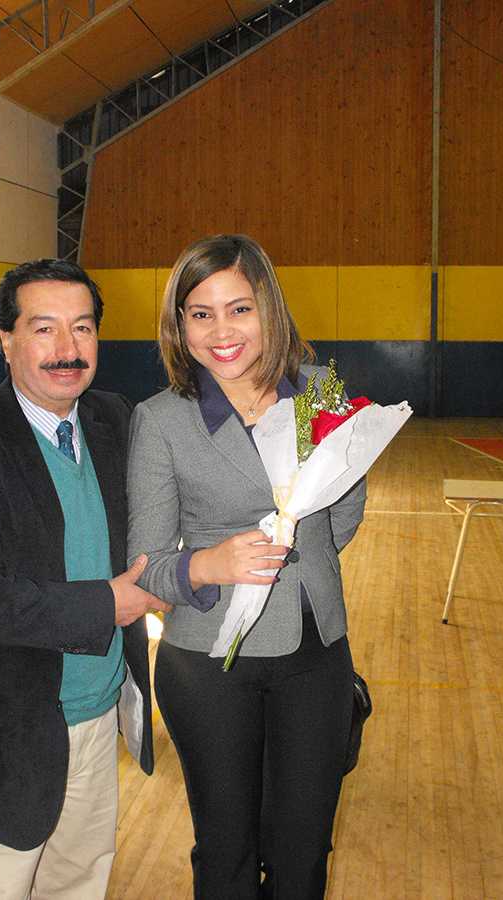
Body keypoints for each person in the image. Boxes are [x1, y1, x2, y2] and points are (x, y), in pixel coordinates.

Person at [0, 258, 170, 900]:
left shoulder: (114, 420)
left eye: (83, 328)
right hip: (0, 733)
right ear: (7, 340)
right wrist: (109, 604)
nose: (67, 349)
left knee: (78, 885)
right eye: (44, 328)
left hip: (97, 715)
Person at [127, 234, 366, 899]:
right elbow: (147, 566)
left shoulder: (319, 394)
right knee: (226, 853)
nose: (221, 331)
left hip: (315, 656)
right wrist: (208, 563)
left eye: (239, 309)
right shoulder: (161, 420)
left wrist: (297, 565)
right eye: (200, 314)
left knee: (303, 853)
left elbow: (343, 512)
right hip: (208, 667)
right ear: (179, 325)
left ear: (269, 308)